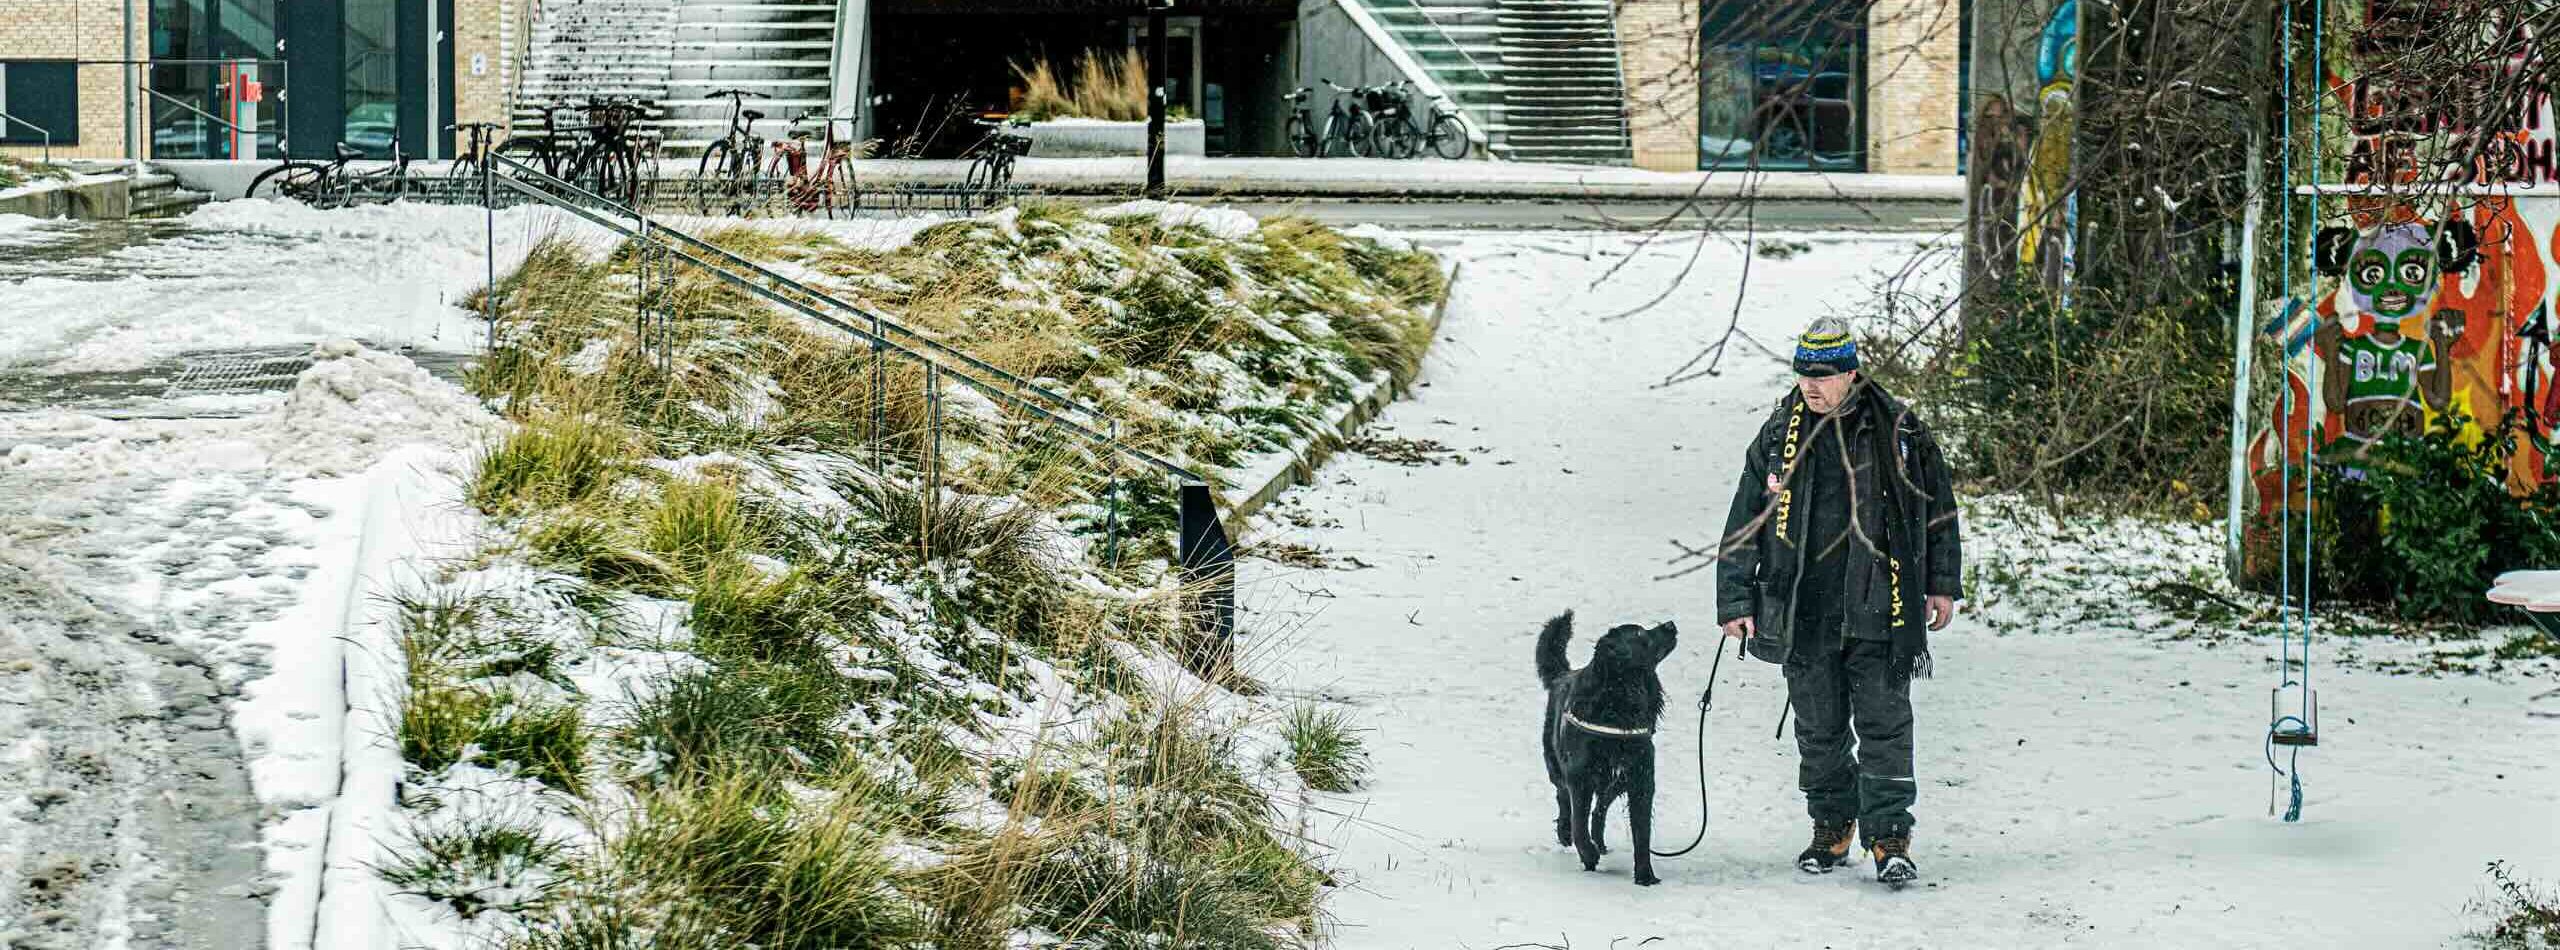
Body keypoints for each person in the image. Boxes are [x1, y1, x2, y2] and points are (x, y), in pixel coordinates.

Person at [1714, 316, 1962, 887]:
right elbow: (1744, 518)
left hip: (1883, 605)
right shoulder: (1779, 434)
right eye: (1804, 374)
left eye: (1824, 375)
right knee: (1819, 731)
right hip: (1802, 611)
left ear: (1851, 372)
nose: (1812, 385)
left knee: (1885, 728)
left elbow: (1940, 513)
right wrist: (1734, 597)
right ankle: (1831, 828)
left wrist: (1942, 584)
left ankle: (1890, 839)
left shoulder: (1900, 431)